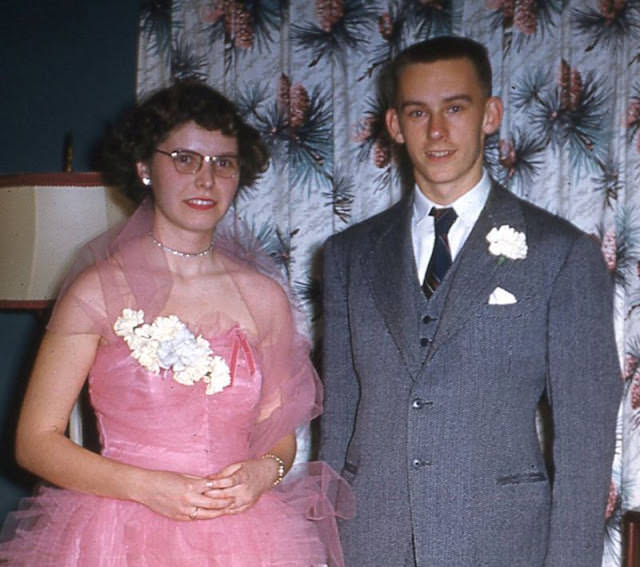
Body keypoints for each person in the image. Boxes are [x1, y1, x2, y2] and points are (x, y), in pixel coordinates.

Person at [0, 80, 352, 566]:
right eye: (185, 158)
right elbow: (34, 441)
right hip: (117, 531)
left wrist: (264, 471)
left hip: (244, 536)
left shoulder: (264, 296)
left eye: (222, 163)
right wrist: (147, 487)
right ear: (145, 167)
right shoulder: (98, 289)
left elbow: (280, 435)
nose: (205, 179)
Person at [320, 35, 621, 566]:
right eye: (418, 112)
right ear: (394, 125)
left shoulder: (561, 254)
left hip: (501, 545)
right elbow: (339, 421)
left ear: (490, 114)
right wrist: (321, 545)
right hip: (370, 543)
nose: (437, 131)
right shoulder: (349, 255)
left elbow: (584, 443)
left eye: (455, 108)